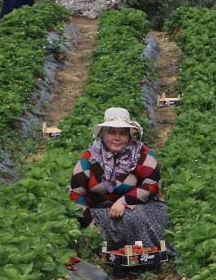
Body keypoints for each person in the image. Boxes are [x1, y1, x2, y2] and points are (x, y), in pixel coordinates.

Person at [70, 107, 167, 249]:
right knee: (84, 228)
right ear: (103, 134)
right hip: (101, 213)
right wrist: (88, 222)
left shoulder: (141, 154)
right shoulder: (90, 158)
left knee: (134, 217)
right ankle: (107, 253)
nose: (117, 138)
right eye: (112, 132)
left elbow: (151, 185)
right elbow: (75, 193)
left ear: (129, 135)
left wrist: (124, 201)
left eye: (122, 133)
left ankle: (145, 253)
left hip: (137, 208)